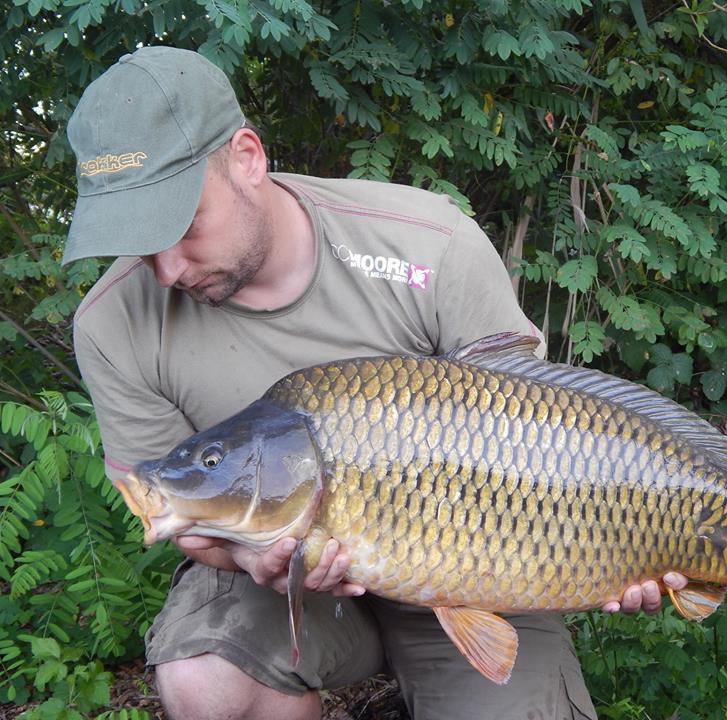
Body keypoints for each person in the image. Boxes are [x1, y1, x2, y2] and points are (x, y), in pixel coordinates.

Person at [64, 46, 688, 720]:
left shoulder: (428, 245)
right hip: (283, 591)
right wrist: (254, 563)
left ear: (247, 158)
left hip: (489, 559)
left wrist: (628, 546)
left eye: (182, 226)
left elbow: (545, 434)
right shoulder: (113, 323)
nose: (165, 271)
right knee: (210, 684)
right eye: (136, 240)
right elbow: (182, 517)